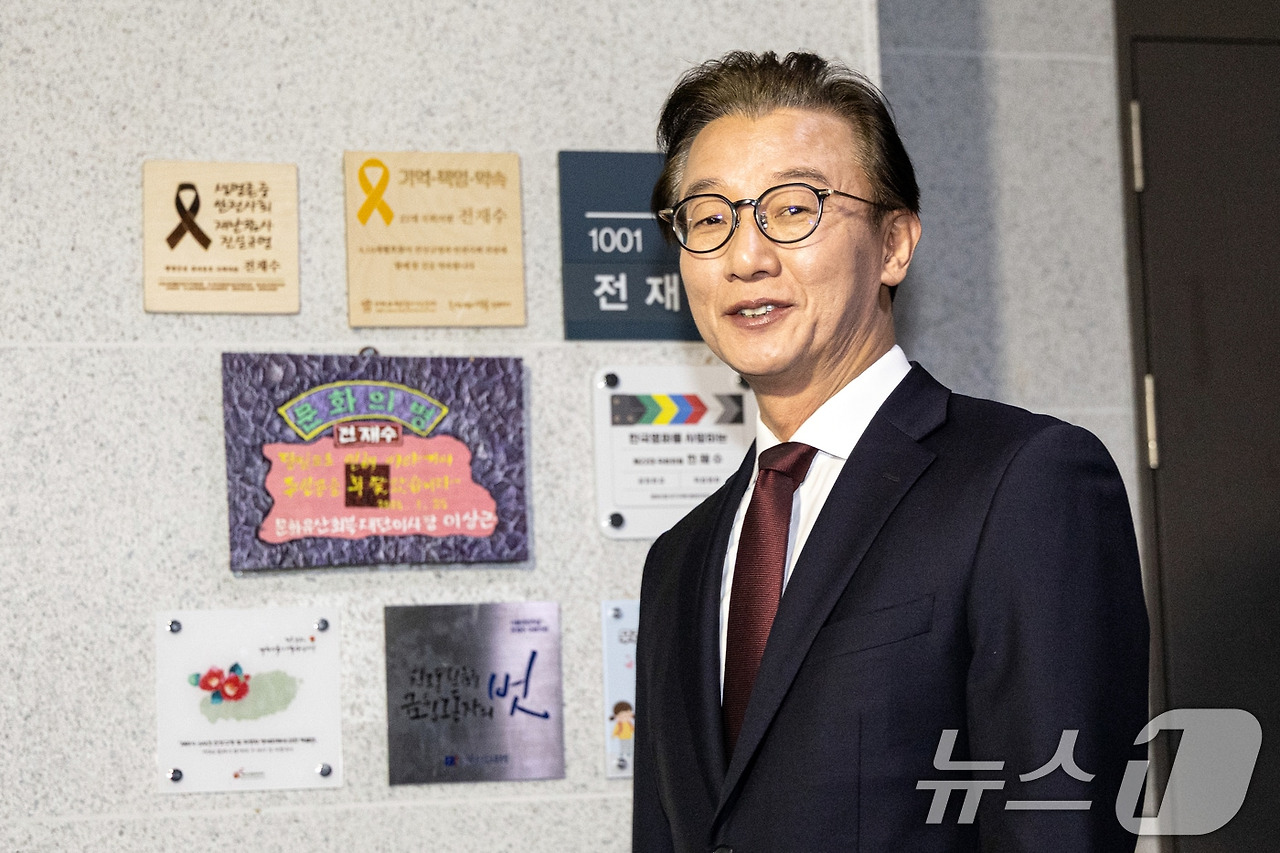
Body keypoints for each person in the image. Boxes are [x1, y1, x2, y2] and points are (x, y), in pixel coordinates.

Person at [633, 51, 1149, 852]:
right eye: (708, 218)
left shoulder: (1024, 483)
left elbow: (1061, 826)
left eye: (793, 208)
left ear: (895, 244)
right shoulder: (679, 558)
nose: (746, 256)